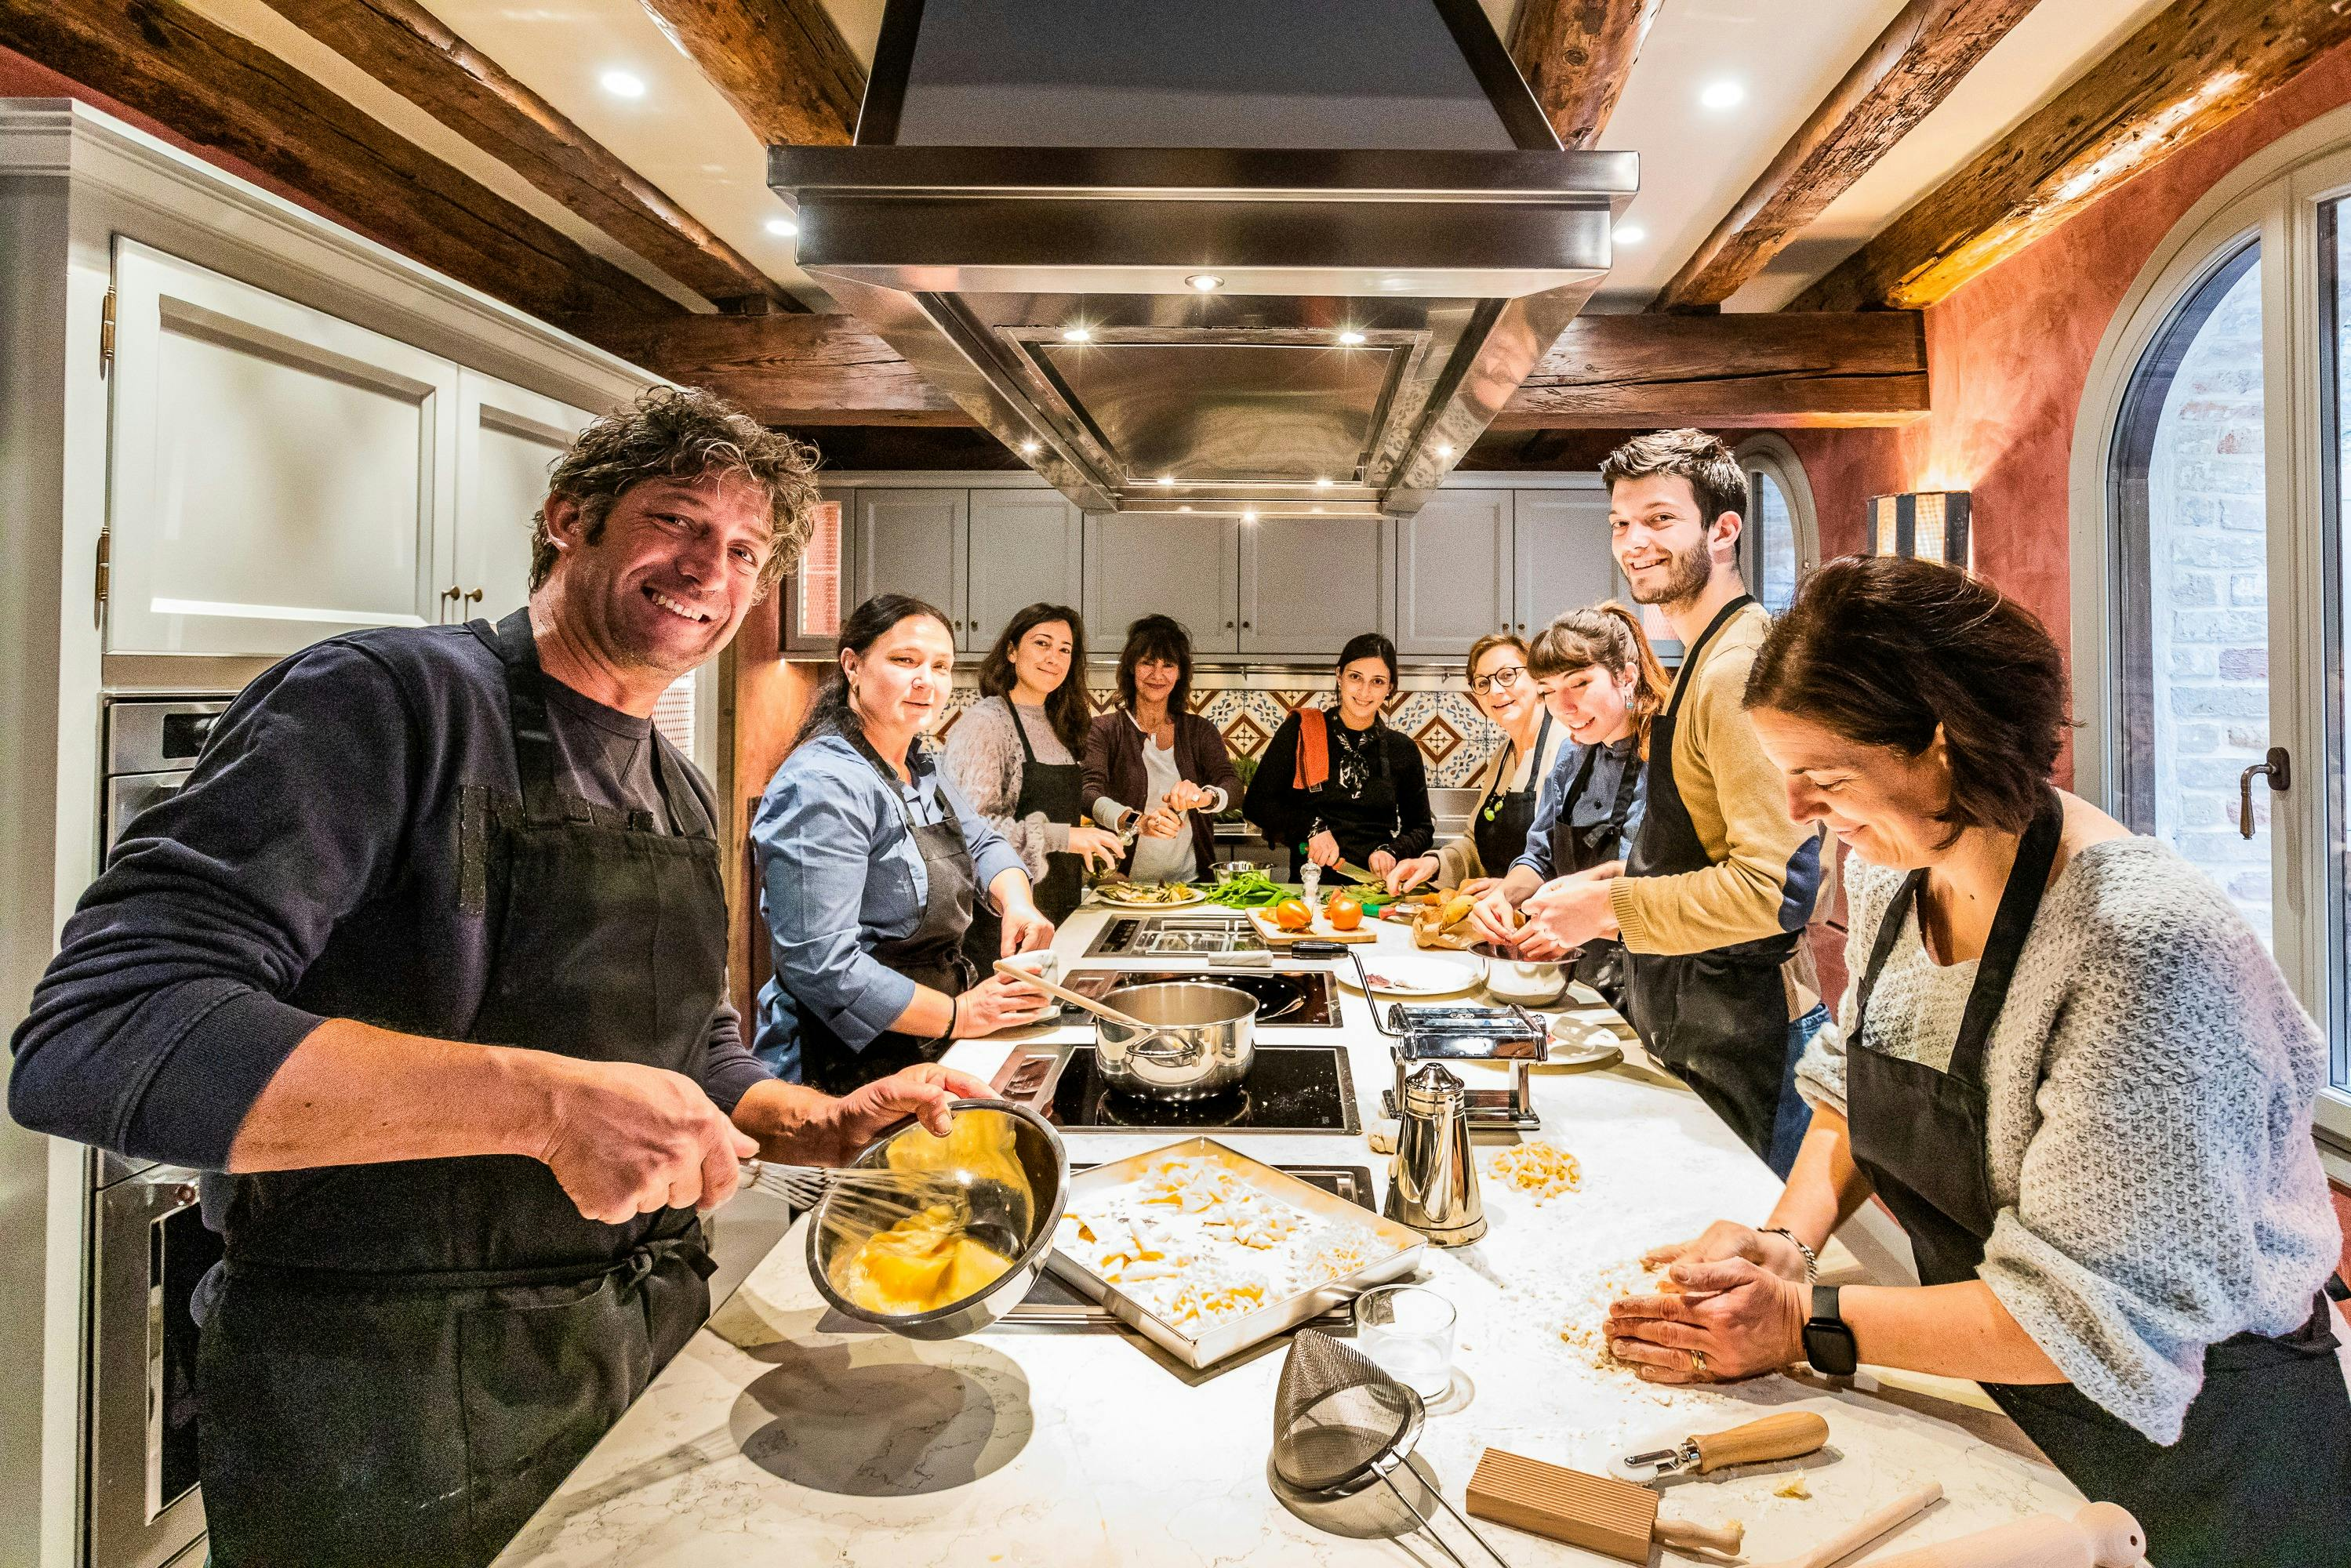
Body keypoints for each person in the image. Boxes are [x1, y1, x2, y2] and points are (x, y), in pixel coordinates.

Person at [5, 389, 1001, 1568]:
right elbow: (101, 1038)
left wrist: (810, 1122)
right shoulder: (386, 702)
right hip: (381, 1397)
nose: (709, 571)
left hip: (630, 1352)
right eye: (677, 522)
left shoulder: (676, 784)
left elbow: (692, 1046)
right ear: (568, 518)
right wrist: (542, 1105)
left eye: (742, 551)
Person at [1604, 556, 2349, 1568]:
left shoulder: (2136, 949)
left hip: (2204, 1463)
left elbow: (2080, 1317)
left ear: (1940, 745)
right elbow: (1847, 1083)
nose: (1794, 808)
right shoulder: (1892, 876)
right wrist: (1788, 1239)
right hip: (2010, 1417)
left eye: (1820, 777)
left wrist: (1799, 1323)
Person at [1509, 430, 1827, 1176]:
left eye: (1659, 519)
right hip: (1696, 1018)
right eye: (1621, 523)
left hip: (1746, 1031)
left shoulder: (1738, 667)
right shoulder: (1703, 659)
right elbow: (1687, 856)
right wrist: (1585, 888)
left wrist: (1608, 911)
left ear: (1723, 530)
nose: (1633, 542)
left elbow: (1776, 890)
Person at [753, 593, 1057, 1093]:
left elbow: (981, 841)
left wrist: (1018, 902)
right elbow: (822, 964)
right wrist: (960, 1014)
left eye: (941, 666)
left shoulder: (920, 764)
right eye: (905, 661)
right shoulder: (821, 784)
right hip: (838, 1061)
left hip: (920, 1043)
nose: (927, 682)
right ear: (852, 665)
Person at [1467, 604, 1667, 1013]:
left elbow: (1662, 879)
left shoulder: (1670, 754)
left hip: (1659, 982)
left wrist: (1585, 908)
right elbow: (1538, 858)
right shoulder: (1570, 756)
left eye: (1579, 684)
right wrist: (1504, 897)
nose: (1563, 707)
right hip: (1584, 983)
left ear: (1626, 677)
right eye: (1548, 691)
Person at [944, 602, 1124, 958]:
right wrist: (1065, 837)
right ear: (1012, 651)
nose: (1053, 658)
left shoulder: (1060, 726)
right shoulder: (987, 724)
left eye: (1065, 650)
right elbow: (970, 832)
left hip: (1056, 908)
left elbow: (1061, 826)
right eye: (1042, 643)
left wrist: (1091, 870)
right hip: (1000, 920)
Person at [1385, 632, 1574, 895]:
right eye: (1482, 683)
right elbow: (1477, 845)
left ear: (1537, 679)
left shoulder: (1568, 748)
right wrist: (1434, 863)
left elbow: (1578, 862)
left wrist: (1515, 888)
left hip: (1549, 922)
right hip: (1502, 917)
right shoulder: (1502, 758)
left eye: (1508, 675)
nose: (1495, 691)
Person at [1245, 632, 1434, 883]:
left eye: (1377, 682)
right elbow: (1257, 805)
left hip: (1377, 888)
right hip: (1310, 887)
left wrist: (1392, 851)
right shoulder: (1301, 731)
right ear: (1339, 676)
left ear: (1389, 689)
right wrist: (1311, 828)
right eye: (1356, 677)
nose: (1364, 691)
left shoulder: (1402, 749)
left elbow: (1421, 828)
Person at [1082, 613, 1245, 883]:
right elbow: (1089, 794)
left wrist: (1204, 797)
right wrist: (1138, 821)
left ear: (1179, 673)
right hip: (1120, 882)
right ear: (1132, 667)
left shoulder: (1199, 731)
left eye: (1168, 665)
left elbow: (1233, 786)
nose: (1157, 675)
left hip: (1192, 884)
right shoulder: (1104, 730)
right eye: (1147, 663)